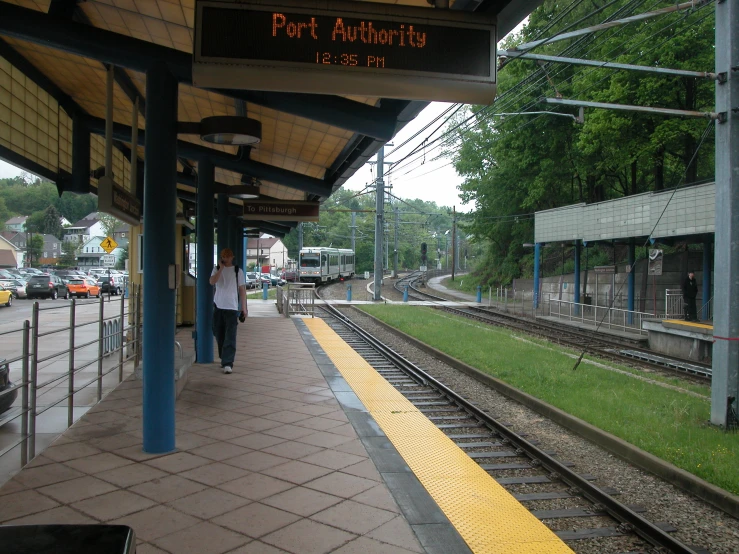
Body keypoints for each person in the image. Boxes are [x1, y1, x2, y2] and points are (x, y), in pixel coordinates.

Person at [209, 248, 247, 374]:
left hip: (231, 307)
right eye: (224, 256)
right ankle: (223, 357)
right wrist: (220, 269)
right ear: (221, 257)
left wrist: (244, 307)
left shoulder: (238, 271)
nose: (226, 258)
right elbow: (212, 282)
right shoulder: (216, 269)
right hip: (218, 306)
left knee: (230, 336)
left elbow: (242, 289)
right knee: (218, 333)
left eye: (228, 256)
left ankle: (228, 362)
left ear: (232, 257)